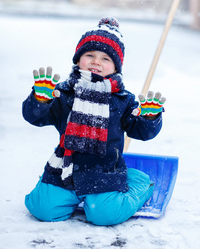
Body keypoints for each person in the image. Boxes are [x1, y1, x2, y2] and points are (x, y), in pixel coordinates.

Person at [22, 17, 165, 226]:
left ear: (116, 67)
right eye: (90, 55)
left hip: (104, 172)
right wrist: (40, 100)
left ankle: (139, 182)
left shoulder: (123, 100)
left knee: (104, 216)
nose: (96, 61)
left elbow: (141, 132)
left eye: (106, 58)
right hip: (65, 169)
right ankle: (54, 191)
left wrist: (149, 118)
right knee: (41, 209)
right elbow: (36, 117)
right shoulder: (63, 92)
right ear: (78, 59)